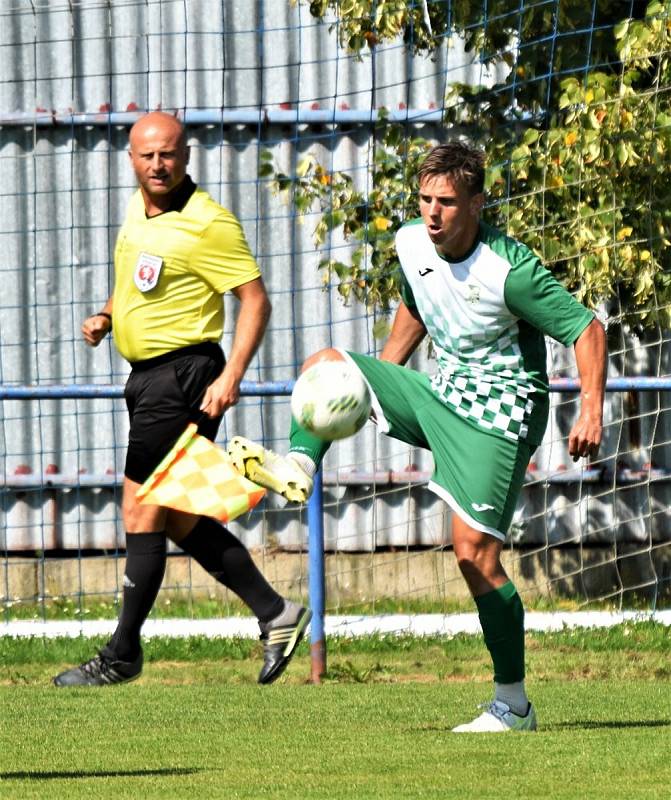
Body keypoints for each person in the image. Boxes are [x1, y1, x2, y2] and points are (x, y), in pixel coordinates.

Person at [227, 141, 607, 731]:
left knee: (473, 554)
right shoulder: (411, 242)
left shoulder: (511, 270)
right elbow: (417, 302)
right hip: (441, 393)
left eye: (447, 202)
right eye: (425, 199)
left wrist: (590, 411)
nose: (432, 212)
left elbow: (587, 329)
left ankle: (513, 705)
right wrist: (373, 382)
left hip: (498, 417)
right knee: (331, 363)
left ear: (477, 204)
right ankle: (300, 465)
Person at [53, 111, 311, 688]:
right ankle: (276, 613)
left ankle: (122, 653)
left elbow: (256, 300)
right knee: (173, 515)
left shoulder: (208, 223)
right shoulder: (136, 212)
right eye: (147, 155)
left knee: (141, 508)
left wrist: (233, 375)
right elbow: (135, 283)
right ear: (131, 158)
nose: (157, 165)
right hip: (145, 379)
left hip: (186, 376)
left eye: (168, 154)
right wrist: (106, 316)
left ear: (186, 155)